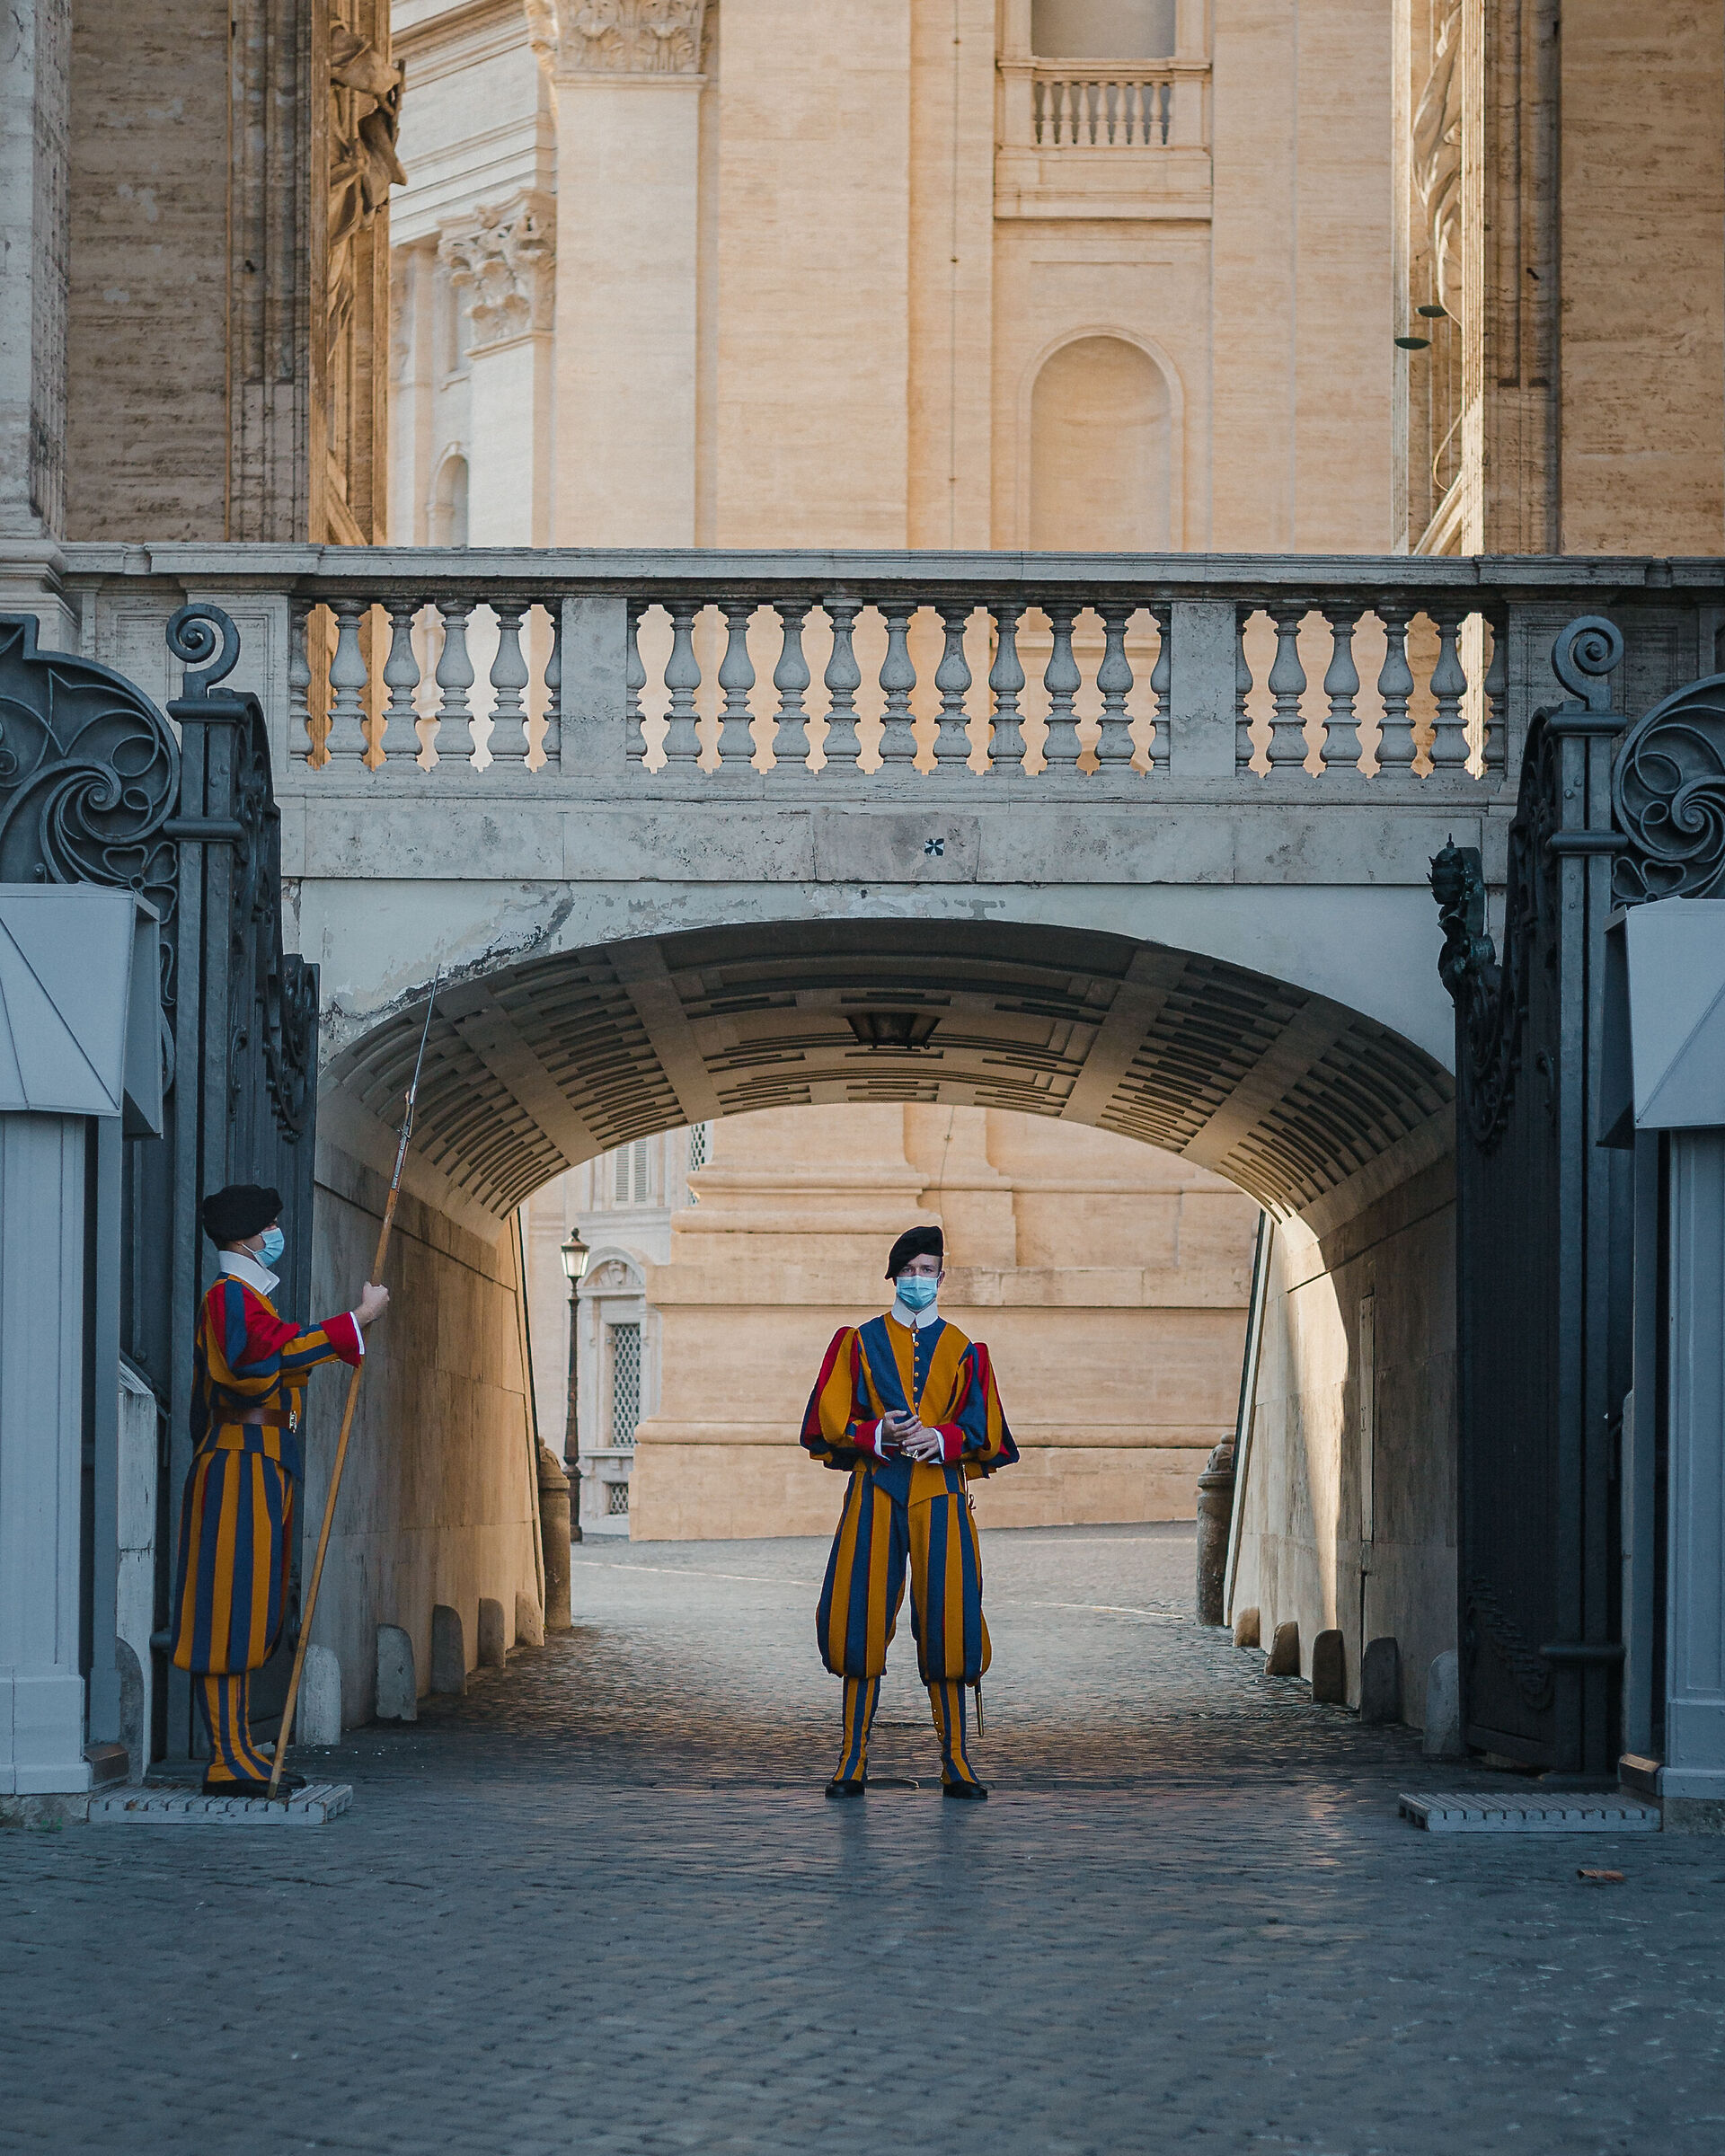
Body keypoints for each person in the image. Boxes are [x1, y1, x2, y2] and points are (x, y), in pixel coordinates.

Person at [170, 1183, 389, 1795]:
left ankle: (239, 1748)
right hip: (238, 1463)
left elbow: (281, 1366)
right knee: (226, 1610)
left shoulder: (249, 1301)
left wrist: (304, 1391)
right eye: (269, 1224)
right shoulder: (229, 1298)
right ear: (246, 1234)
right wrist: (357, 1321)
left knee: (252, 1606)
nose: (275, 1234)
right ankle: (225, 1756)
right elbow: (253, 1368)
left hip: (263, 1462)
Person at [801, 1224, 1017, 1799]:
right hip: (877, 1488)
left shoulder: (965, 1349)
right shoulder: (858, 1342)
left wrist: (943, 1439)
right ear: (893, 1276)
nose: (919, 1280)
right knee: (858, 1616)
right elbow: (826, 1420)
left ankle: (957, 1760)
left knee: (951, 1619)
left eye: (929, 1270)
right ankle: (851, 1757)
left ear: (941, 1277)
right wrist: (876, 1433)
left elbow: (985, 1429)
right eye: (910, 1270)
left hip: (941, 1493)